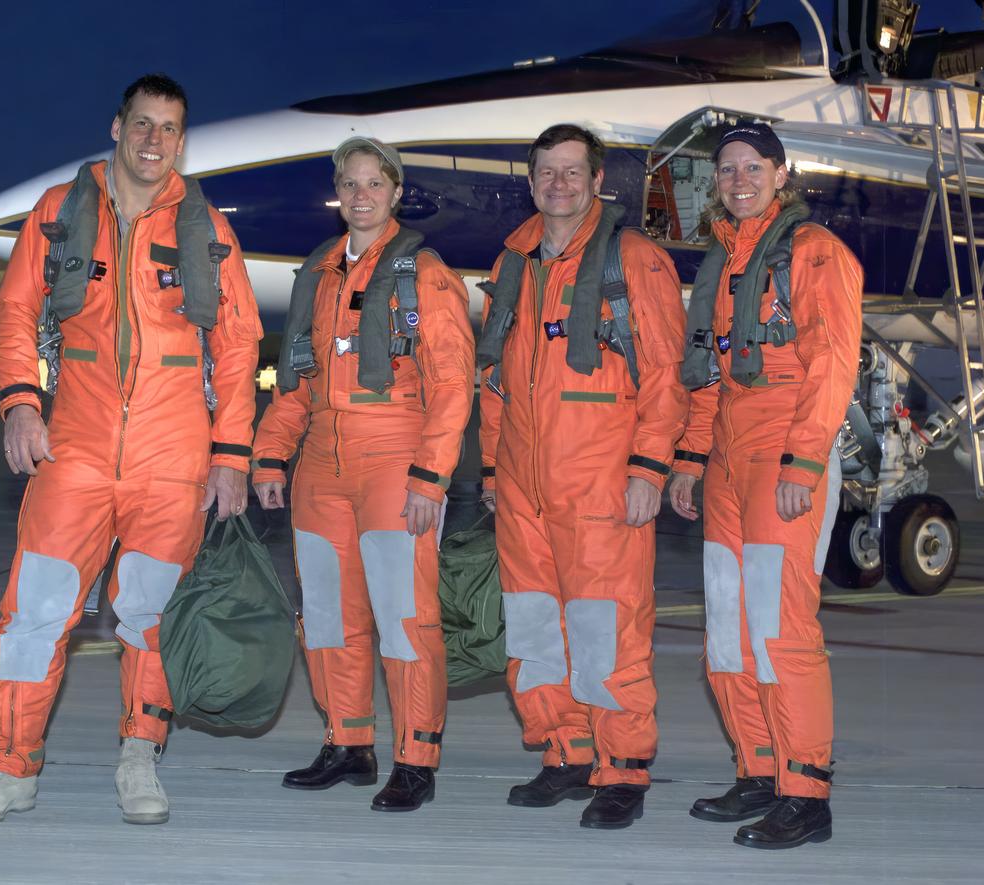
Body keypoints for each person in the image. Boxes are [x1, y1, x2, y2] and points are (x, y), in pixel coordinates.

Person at [0, 73, 262, 825]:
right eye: (144, 124)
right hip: (76, 450)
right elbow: (17, 312)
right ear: (117, 127)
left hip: (173, 457)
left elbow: (238, 345)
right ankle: (10, 767)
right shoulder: (61, 213)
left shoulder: (207, 227)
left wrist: (231, 455)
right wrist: (21, 404)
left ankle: (139, 758)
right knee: (31, 613)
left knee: (153, 620)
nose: (156, 141)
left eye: (170, 129)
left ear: (181, 141)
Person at [252, 137, 474, 813]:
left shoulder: (426, 274)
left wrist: (431, 476)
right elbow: (295, 377)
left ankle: (415, 755)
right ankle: (348, 742)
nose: (361, 195)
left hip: (395, 458)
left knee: (405, 618)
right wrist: (270, 452)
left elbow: (453, 383)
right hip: (321, 462)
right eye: (349, 184)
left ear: (396, 191)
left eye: (375, 183)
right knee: (325, 614)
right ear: (337, 193)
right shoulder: (317, 272)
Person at [477, 124, 689, 829]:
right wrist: (488, 465)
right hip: (521, 486)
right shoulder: (515, 262)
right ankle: (564, 750)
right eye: (547, 172)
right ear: (531, 181)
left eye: (573, 172)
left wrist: (649, 466)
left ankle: (621, 765)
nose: (559, 184)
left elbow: (665, 377)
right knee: (535, 630)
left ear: (599, 181)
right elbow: (495, 382)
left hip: (601, 483)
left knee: (607, 631)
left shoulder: (634, 262)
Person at [668, 122, 862, 849]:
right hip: (727, 461)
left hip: (786, 455)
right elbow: (711, 373)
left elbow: (833, 365)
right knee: (727, 632)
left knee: (782, 631)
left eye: (753, 167)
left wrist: (805, 462)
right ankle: (758, 769)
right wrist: (691, 459)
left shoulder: (817, 255)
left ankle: (805, 792)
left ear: (781, 175)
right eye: (727, 169)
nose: (739, 179)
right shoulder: (721, 264)